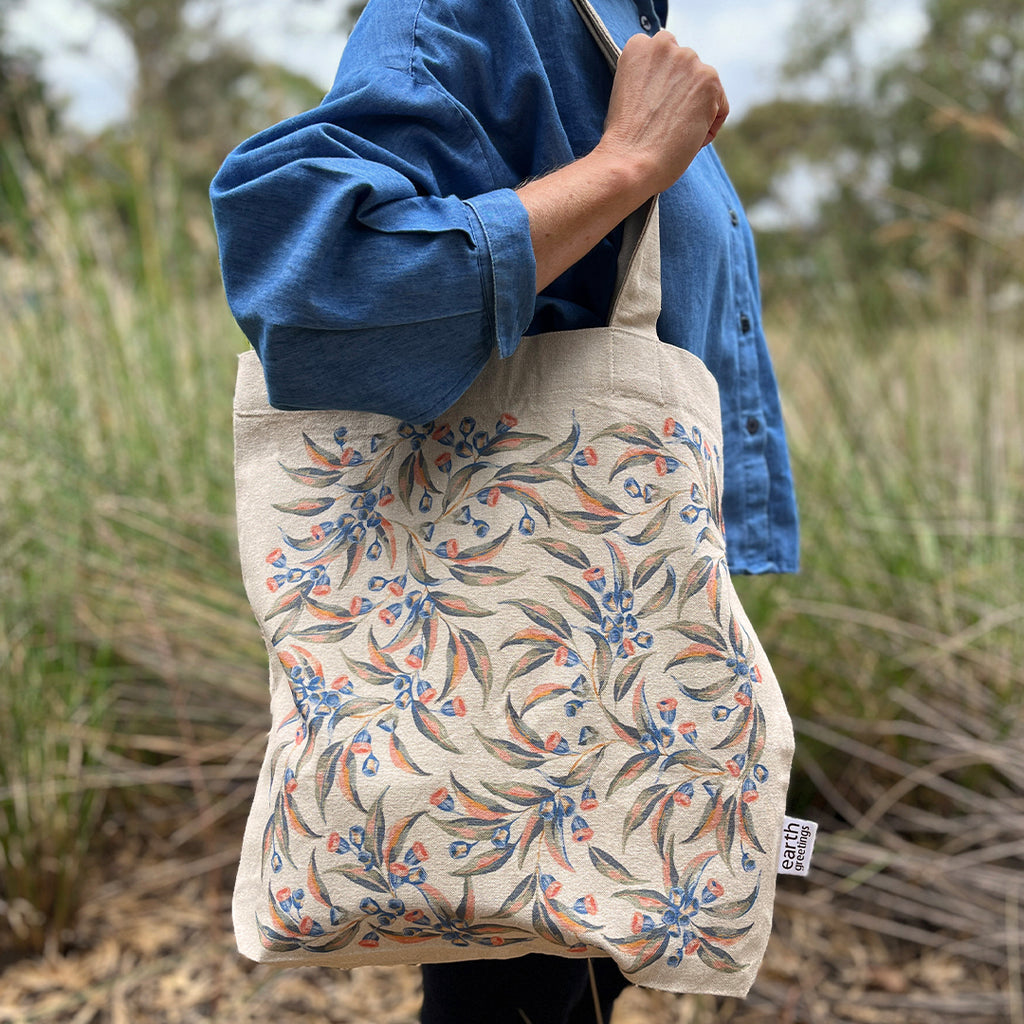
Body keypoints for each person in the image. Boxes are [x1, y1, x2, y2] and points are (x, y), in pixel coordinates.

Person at [212, 0, 799, 1020]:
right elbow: (311, 282)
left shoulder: (625, 25)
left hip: (616, 622)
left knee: (564, 993)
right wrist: (625, 165)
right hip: (512, 642)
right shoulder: (486, 10)